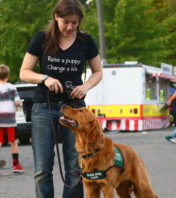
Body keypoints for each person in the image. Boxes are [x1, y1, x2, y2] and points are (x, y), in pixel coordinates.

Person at [20, 0, 102, 197]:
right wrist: (45, 78)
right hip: (44, 106)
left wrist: (85, 86)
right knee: (42, 169)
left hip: (75, 107)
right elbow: (24, 72)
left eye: (75, 22)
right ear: (56, 16)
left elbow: (98, 72)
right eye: (66, 21)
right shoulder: (42, 38)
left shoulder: (86, 41)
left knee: (75, 167)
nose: (70, 27)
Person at [0, 64, 24, 173]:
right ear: (8, 75)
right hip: (10, 118)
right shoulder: (12, 87)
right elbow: (18, 102)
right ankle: (16, 165)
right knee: (13, 141)